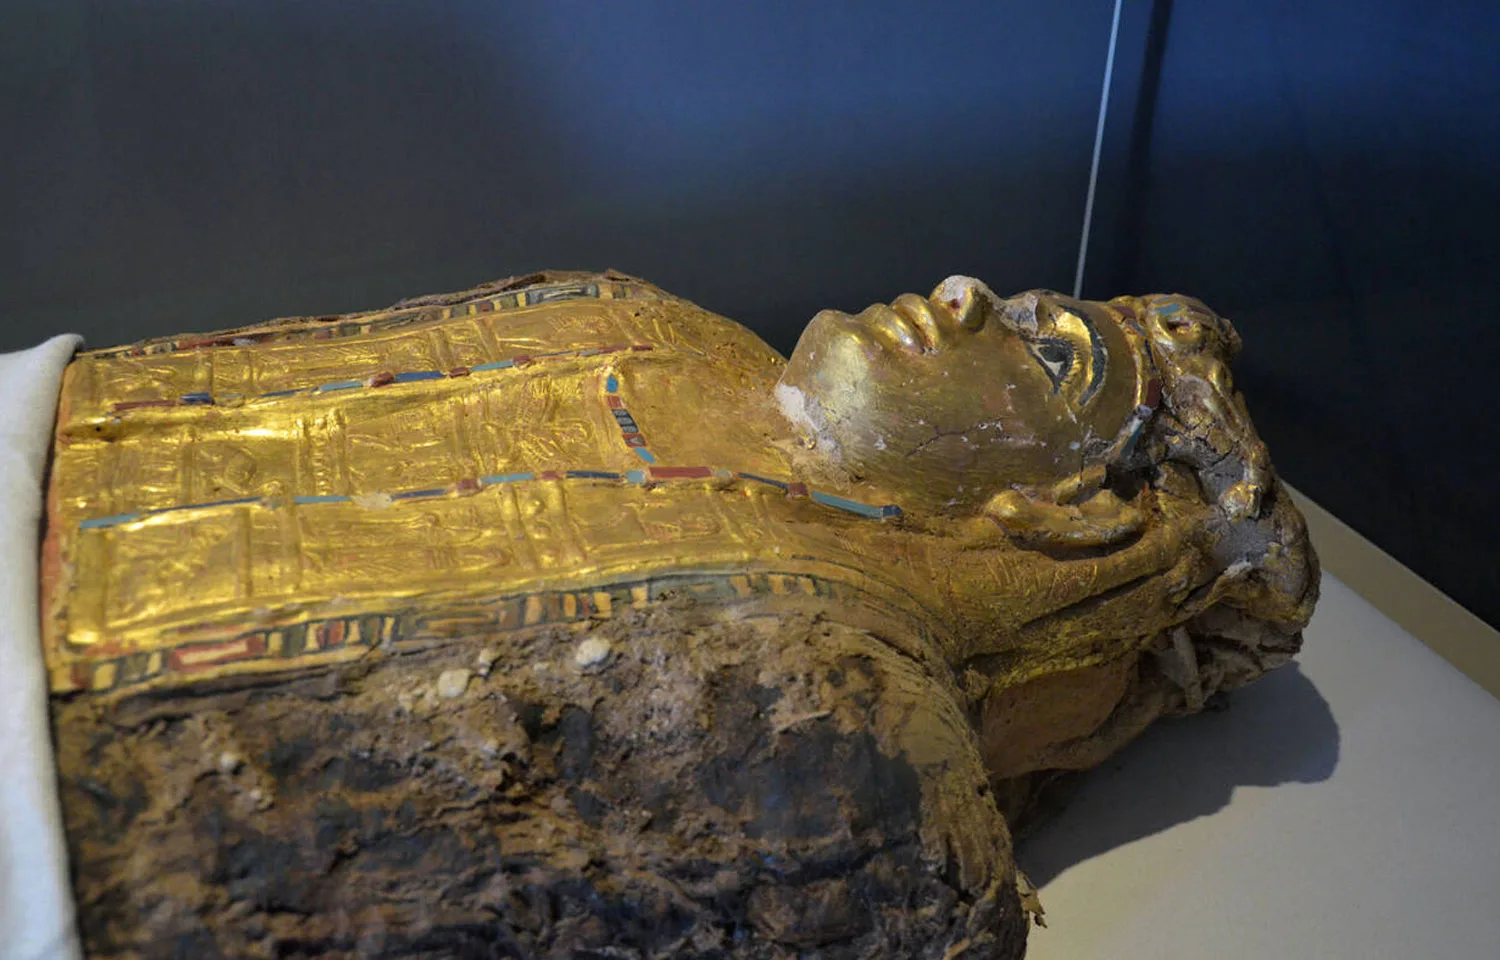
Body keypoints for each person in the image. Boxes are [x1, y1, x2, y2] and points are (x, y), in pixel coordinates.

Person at [42, 270, 1316, 958]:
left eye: (1052, 363)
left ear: (1072, 516)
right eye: (1033, 307)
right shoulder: (658, 325)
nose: (969, 288)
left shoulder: (845, 715)